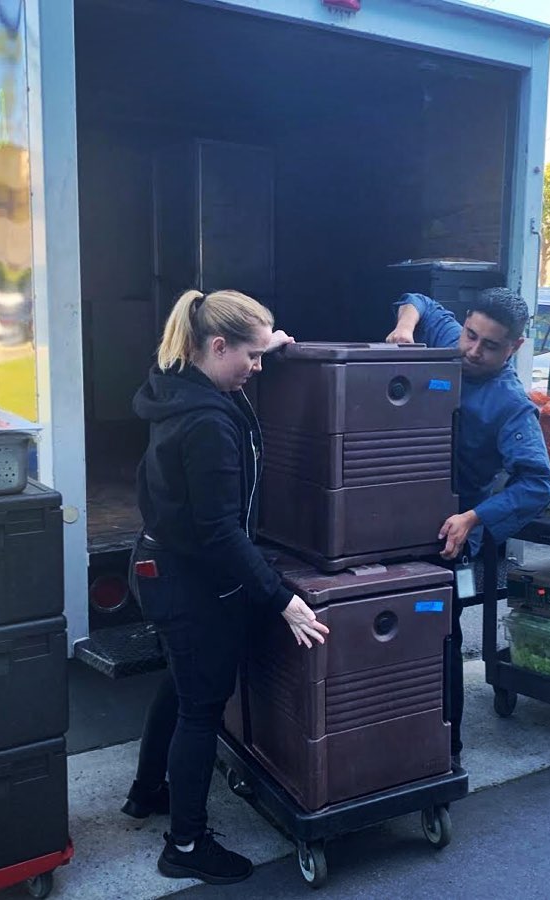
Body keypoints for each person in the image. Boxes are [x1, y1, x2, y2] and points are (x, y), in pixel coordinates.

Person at [122, 288, 330, 886]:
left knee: (181, 683)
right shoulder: (208, 424)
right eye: (253, 356)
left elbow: (237, 365)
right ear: (217, 346)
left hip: (161, 568)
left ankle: (146, 792)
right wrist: (281, 598)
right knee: (202, 710)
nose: (259, 368)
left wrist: (272, 342)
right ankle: (185, 844)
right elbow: (217, 532)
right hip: (191, 581)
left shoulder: (178, 383)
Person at [385, 287, 550, 768]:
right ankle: (384, 736)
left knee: (439, 636)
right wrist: (405, 326)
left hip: (448, 532)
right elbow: (416, 298)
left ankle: (446, 750)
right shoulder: (449, 338)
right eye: (471, 335)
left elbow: (539, 484)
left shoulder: (510, 404)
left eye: (490, 346)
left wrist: (474, 518)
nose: (473, 352)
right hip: (392, 518)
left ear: (515, 348)